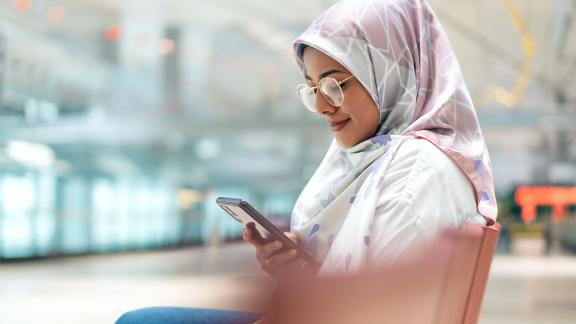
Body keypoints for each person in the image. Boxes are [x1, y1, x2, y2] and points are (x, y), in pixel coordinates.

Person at [116, 0, 497, 322]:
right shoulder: (392, 156)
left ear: (390, 73)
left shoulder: (417, 172)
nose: (320, 106)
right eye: (313, 88)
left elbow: (373, 311)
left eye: (335, 84)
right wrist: (294, 268)